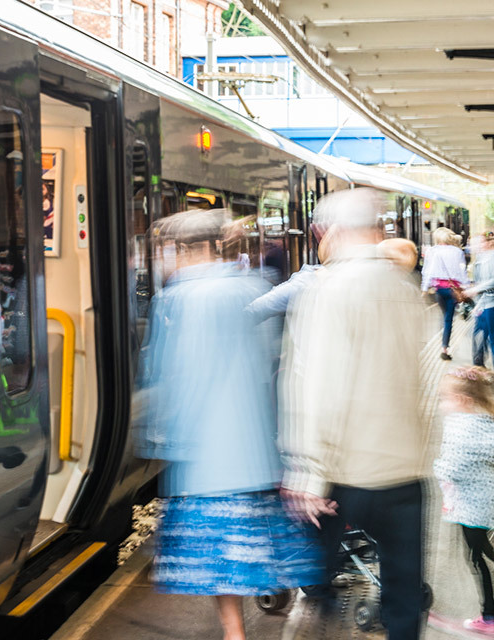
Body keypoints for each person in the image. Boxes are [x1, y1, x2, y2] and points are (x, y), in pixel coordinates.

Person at [134, 209, 323, 640]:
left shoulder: (176, 298)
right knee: (257, 543)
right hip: (255, 442)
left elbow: (172, 374)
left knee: (220, 555)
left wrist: (163, 436)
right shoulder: (251, 285)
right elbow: (271, 359)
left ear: (182, 249)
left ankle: (234, 633)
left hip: (207, 449)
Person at [282, 188, 429, 640]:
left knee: (313, 577)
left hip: (349, 473)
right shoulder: (404, 286)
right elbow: (425, 376)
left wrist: (309, 475)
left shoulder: (330, 289)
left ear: (335, 232)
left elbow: (320, 387)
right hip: (406, 470)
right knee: (404, 592)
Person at [432, 366, 494, 638]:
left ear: (463, 400)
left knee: (476, 559)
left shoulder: (464, 428)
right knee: (476, 557)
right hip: (482, 505)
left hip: (474, 509)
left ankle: (489, 618)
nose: (443, 404)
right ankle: (488, 615)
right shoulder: (482, 420)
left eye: (446, 398)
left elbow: (453, 468)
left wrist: (434, 467)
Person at [421, 227, 470, 360]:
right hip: (452, 289)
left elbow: (427, 271)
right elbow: (461, 272)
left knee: (444, 317)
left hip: (439, 289)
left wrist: (424, 288)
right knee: (449, 318)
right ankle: (444, 348)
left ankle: (442, 343)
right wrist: (466, 287)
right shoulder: (457, 251)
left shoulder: (432, 251)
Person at [467, 232, 494, 390]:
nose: (474, 246)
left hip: (491, 304)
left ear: (488, 243)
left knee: (492, 339)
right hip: (483, 304)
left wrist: (475, 289)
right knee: (482, 337)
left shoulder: (491, 257)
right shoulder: (483, 257)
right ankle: (482, 371)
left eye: (478, 242)